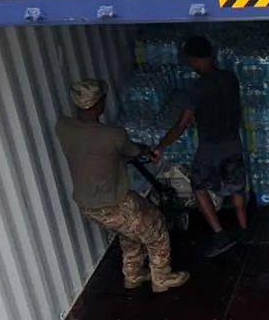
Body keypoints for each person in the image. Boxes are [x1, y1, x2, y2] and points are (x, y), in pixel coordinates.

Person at [54, 78, 188, 293]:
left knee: (130, 229)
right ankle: (161, 278)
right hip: (113, 202)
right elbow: (133, 150)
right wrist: (146, 149)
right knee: (156, 228)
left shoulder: (64, 127)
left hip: (87, 204)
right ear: (99, 104)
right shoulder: (112, 135)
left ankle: (133, 276)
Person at [154, 35, 251, 257]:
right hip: (233, 142)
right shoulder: (230, 78)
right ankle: (244, 229)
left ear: (195, 59)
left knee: (199, 186)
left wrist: (161, 146)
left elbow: (182, 124)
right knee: (237, 185)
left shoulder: (198, 88)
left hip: (210, 147)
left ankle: (220, 235)